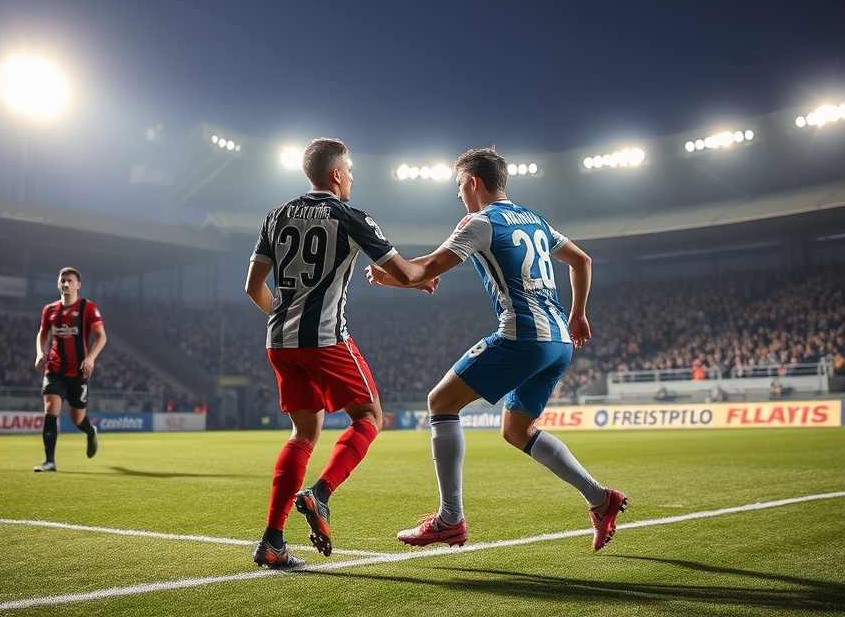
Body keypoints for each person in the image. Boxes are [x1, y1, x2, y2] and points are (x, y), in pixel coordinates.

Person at [366, 147, 626, 552]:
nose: (458, 195)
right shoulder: (535, 220)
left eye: (459, 186)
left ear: (473, 182)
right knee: (516, 430)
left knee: (440, 402)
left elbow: (423, 269)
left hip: (522, 338)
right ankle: (600, 498)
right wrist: (578, 314)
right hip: (558, 341)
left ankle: (450, 519)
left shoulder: (481, 222)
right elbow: (582, 260)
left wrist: (390, 276)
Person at [245, 137, 436, 570]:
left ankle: (272, 541)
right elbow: (405, 271)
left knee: (302, 434)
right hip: (327, 340)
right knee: (369, 417)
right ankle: (321, 493)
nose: (351, 177)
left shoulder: (276, 216)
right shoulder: (350, 217)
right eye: (349, 171)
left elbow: (253, 287)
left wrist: (287, 319)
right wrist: (418, 281)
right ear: (336, 174)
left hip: (280, 343)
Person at [33, 267, 106, 472]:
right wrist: (40, 353)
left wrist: (91, 358)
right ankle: (49, 461)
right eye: (62, 280)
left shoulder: (87, 307)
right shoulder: (49, 309)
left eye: (70, 281)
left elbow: (101, 336)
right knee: (50, 408)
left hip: (79, 372)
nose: (65, 284)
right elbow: (42, 332)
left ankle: (90, 432)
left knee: (77, 419)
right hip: (55, 368)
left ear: (78, 285)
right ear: (58, 284)